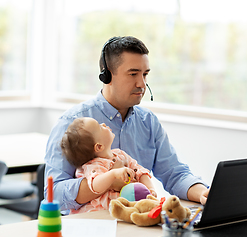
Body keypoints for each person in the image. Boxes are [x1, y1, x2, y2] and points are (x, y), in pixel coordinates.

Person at [45, 36, 209, 215]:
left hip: (137, 225)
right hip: (90, 228)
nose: (142, 84)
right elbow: (55, 195)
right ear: (106, 75)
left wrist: (204, 193)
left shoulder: (148, 121)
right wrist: (108, 180)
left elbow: (175, 174)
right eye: (133, 74)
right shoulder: (73, 122)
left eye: (145, 74)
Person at [60, 117, 156, 213]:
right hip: (96, 216)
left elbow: (139, 171)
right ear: (99, 146)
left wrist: (150, 189)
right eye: (100, 127)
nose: (104, 124)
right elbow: (95, 185)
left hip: (121, 211)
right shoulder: (93, 165)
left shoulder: (120, 154)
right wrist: (113, 174)